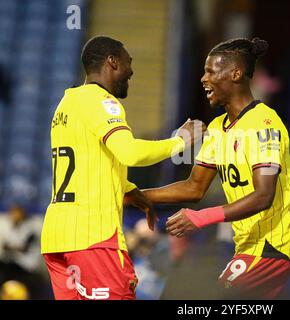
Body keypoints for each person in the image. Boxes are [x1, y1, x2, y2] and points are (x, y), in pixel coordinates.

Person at [40, 36, 205, 300]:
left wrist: (131, 192)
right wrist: (180, 141)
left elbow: (88, 163)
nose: (132, 70)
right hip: (93, 238)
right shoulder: (102, 101)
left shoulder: (66, 104)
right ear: (112, 62)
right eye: (129, 62)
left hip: (57, 238)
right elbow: (129, 152)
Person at [144, 37, 290, 299]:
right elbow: (193, 187)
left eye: (211, 71)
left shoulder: (264, 123)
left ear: (236, 74)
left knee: (204, 298)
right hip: (247, 248)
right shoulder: (217, 128)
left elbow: (264, 195)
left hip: (272, 247)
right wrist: (133, 195)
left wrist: (201, 217)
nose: (204, 79)